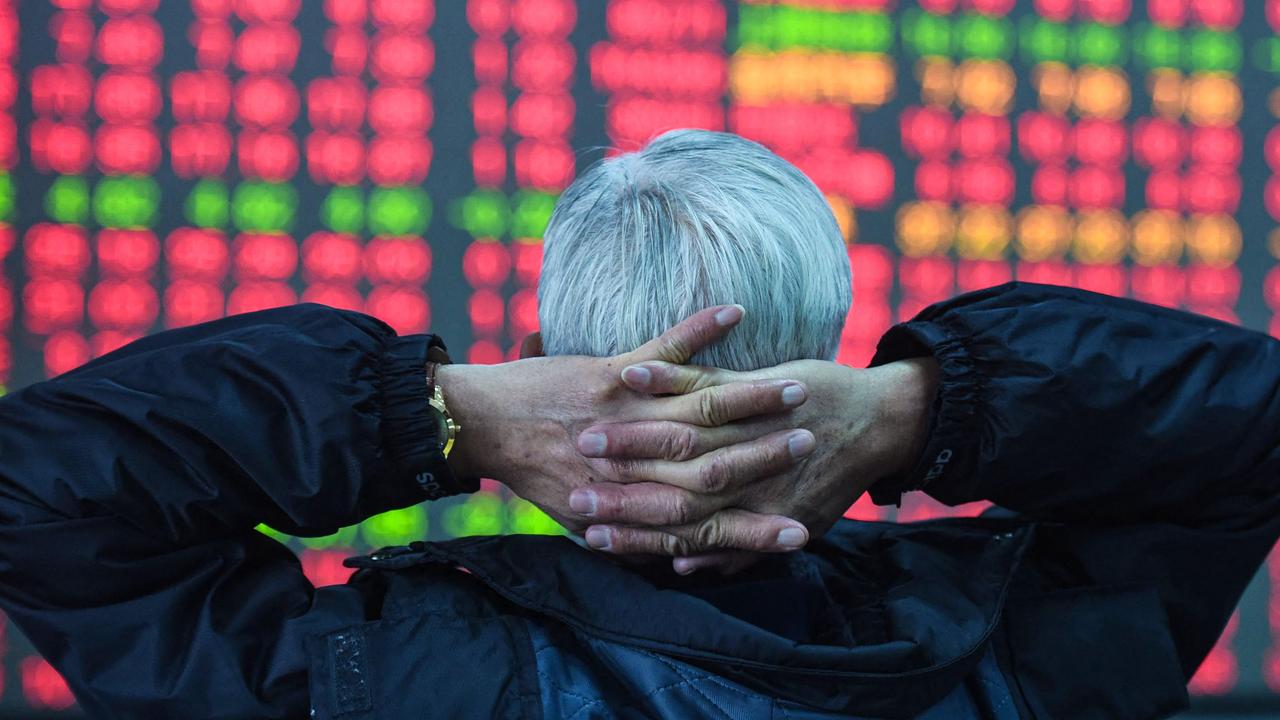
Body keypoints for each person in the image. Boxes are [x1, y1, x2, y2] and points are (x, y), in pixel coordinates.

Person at [0, 129, 1274, 720]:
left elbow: (33, 486)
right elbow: (1249, 427)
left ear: (551, 362)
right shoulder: (1024, 661)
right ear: (829, 359)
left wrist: (440, 416)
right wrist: (925, 411)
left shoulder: (373, 684)